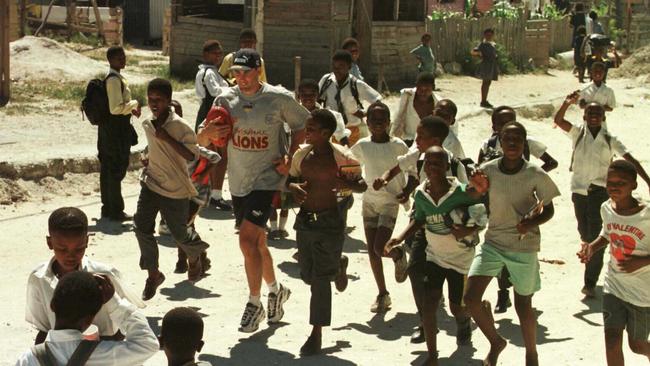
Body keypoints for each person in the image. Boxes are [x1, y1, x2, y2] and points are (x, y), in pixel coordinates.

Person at [198, 48, 307, 333]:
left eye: (246, 72)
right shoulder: (225, 99)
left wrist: (290, 159)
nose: (241, 78)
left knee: (246, 241)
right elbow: (202, 135)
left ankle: (254, 303)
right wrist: (209, 134)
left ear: (258, 70)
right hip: (239, 181)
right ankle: (276, 289)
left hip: (267, 179)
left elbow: (303, 125)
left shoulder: (277, 97)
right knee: (257, 243)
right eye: (236, 73)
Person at [463, 121, 561, 366]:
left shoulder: (535, 174)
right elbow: (471, 195)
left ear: (524, 143)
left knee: (523, 305)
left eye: (518, 139)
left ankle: (531, 354)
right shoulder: (488, 170)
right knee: (471, 299)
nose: (513, 143)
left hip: (523, 246)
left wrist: (529, 224)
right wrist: (476, 188)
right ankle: (496, 342)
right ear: (501, 141)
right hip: (493, 242)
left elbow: (548, 211)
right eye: (508, 139)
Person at [385, 146, 488, 365]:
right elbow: (420, 218)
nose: (432, 167)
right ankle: (432, 356)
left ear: (446, 166)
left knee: (456, 307)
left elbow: (481, 219)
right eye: (428, 163)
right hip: (434, 257)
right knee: (429, 303)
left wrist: (467, 230)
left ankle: (465, 321)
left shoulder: (461, 192)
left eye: (438, 163)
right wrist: (400, 237)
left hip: (461, 260)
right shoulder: (421, 193)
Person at [287, 109, 367, 355]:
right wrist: (293, 187)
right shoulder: (302, 155)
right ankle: (338, 264)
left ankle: (316, 333)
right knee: (308, 275)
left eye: (311, 129)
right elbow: (288, 181)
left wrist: (348, 184)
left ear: (325, 133)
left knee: (320, 282)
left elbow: (361, 185)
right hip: (305, 223)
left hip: (331, 223)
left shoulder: (342, 157)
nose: (306, 132)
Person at [554, 93, 650, 298]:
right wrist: (567, 103)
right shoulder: (577, 133)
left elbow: (629, 159)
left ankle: (589, 282)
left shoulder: (610, 139)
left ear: (603, 117)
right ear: (584, 116)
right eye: (590, 113)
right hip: (579, 191)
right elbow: (558, 121)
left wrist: (647, 180)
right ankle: (589, 253)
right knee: (584, 232)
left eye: (598, 113)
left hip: (600, 192)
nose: (594, 116)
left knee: (595, 236)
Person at [134, 78, 211, 300]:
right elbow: (154, 148)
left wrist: (167, 138)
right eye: (150, 99)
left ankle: (195, 254)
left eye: (159, 99)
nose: (154, 103)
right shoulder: (148, 123)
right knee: (141, 226)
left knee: (178, 233)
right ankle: (153, 274)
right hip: (151, 183)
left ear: (168, 101)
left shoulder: (181, 127)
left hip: (175, 189)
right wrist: (147, 158)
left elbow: (191, 155)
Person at [477, 106, 558, 314]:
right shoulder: (488, 150)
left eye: (512, 122)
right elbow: (478, 179)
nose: (511, 138)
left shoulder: (532, 166)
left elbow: (548, 205)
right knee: (497, 254)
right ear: (496, 129)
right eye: (503, 125)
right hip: (496, 212)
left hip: (523, 222)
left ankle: (516, 295)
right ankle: (503, 292)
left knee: (518, 262)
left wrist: (528, 179)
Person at [26, 207, 144, 345]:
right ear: (49, 243)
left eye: (79, 248)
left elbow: (124, 325)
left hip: (103, 351)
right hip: (62, 353)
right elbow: (44, 330)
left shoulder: (105, 276)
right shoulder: (39, 278)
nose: (70, 256)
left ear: (87, 241)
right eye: (62, 249)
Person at [577, 160, 650, 366]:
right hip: (614, 286)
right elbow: (607, 234)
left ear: (634, 185)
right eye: (610, 182)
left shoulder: (647, 216)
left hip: (643, 294)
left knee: (637, 344)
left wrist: (641, 261)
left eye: (622, 182)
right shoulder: (606, 208)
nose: (614, 187)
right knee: (611, 341)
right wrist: (592, 246)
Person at [15, 271, 158, 366]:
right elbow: (148, 344)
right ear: (90, 320)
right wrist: (115, 304)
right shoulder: (104, 354)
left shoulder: (27, 359)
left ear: (52, 305)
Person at [350, 101, 410, 312]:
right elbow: (349, 164)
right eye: (373, 120)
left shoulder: (399, 146)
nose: (377, 123)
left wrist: (408, 190)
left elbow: (412, 171)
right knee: (372, 251)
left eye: (382, 120)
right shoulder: (362, 146)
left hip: (389, 202)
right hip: (369, 202)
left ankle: (397, 254)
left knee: (379, 247)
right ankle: (383, 294)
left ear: (388, 122)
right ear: (367, 121)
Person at [100, 46, 141, 221]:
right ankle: (115, 210)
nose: (123, 60)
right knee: (115, 168)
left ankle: (109, 208)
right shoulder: (113, 80)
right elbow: (115, 109)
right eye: (119, 58)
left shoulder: (118, 78)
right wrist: (134, 104)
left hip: (112, 129)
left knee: (109, 169)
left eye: (123, 57)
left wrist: (131, 109)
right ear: (110, 60)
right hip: (115, 130)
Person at [194, 40, 232, 211]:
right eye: (214, 53)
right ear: (205, 54)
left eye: (220, 53)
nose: (218, 56)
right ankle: (210, 194)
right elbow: (214, 92)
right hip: (211, 114)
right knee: (214, 156)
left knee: (218, 156)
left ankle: (212, 193)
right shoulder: (208, 73)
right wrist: (233, 90)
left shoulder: (214, 72)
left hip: (216, 113)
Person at [318, 50, 382, 146]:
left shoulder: (356, 84)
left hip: (351, 130)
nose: (337, 70)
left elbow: (377, 101)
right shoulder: (327, 81)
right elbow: (317, 98)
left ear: (349, 67)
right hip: (330, 130)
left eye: (341, 66)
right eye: (334, 67)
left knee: (350, 157)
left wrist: (365, 113)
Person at [391, 73, 438, 147]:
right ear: (416, 86)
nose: (423, 92)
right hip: (407, 141)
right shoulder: (407, 96)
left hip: (428, 143)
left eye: (427, 89)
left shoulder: (438, 103)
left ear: (433, 87)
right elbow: (398, 116)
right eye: (420, 89)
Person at [471, 29, 499, 109]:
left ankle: (484, 100)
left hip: (492, 65)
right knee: (485, 82)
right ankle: (483, 101)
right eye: (487, 35)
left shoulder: (492, 44)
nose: (489, 37)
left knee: (488, 82)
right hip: (487, 65)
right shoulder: (483, 44)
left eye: (490, 35)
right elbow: (473, 51)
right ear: (484, 35)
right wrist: (480, 55)